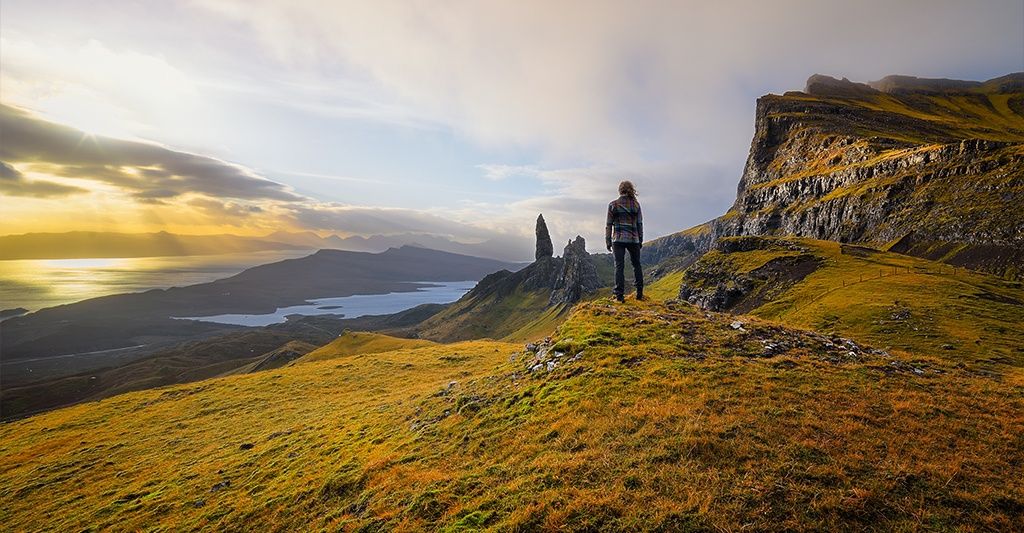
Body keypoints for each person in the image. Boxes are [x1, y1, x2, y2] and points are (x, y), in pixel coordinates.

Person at [606, 180, 644, 302]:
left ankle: (619, 296)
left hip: (618, 238)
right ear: (631, 190)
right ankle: (639, 293)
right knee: (636, 265)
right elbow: (639, 224)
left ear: (620, 190)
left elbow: (609, 224)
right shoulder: (636, 205)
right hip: (634, 239)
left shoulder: (613, 205)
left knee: (619, 266)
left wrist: (608, 240)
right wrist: (640, 240)